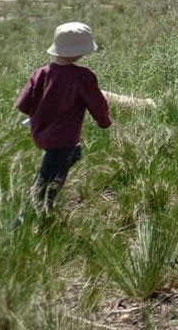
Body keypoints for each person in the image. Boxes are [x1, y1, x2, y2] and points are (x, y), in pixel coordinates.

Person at [15, 22, 112, 212]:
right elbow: (97, 104)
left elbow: (24, 104)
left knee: (72, 154)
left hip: (42, 133)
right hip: (63, 139)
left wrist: (41, 116)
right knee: (47, 182)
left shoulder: (41, 73)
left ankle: (41, 201)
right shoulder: (83, 76)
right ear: (80, 52)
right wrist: (104, 122)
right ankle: (30, 217)